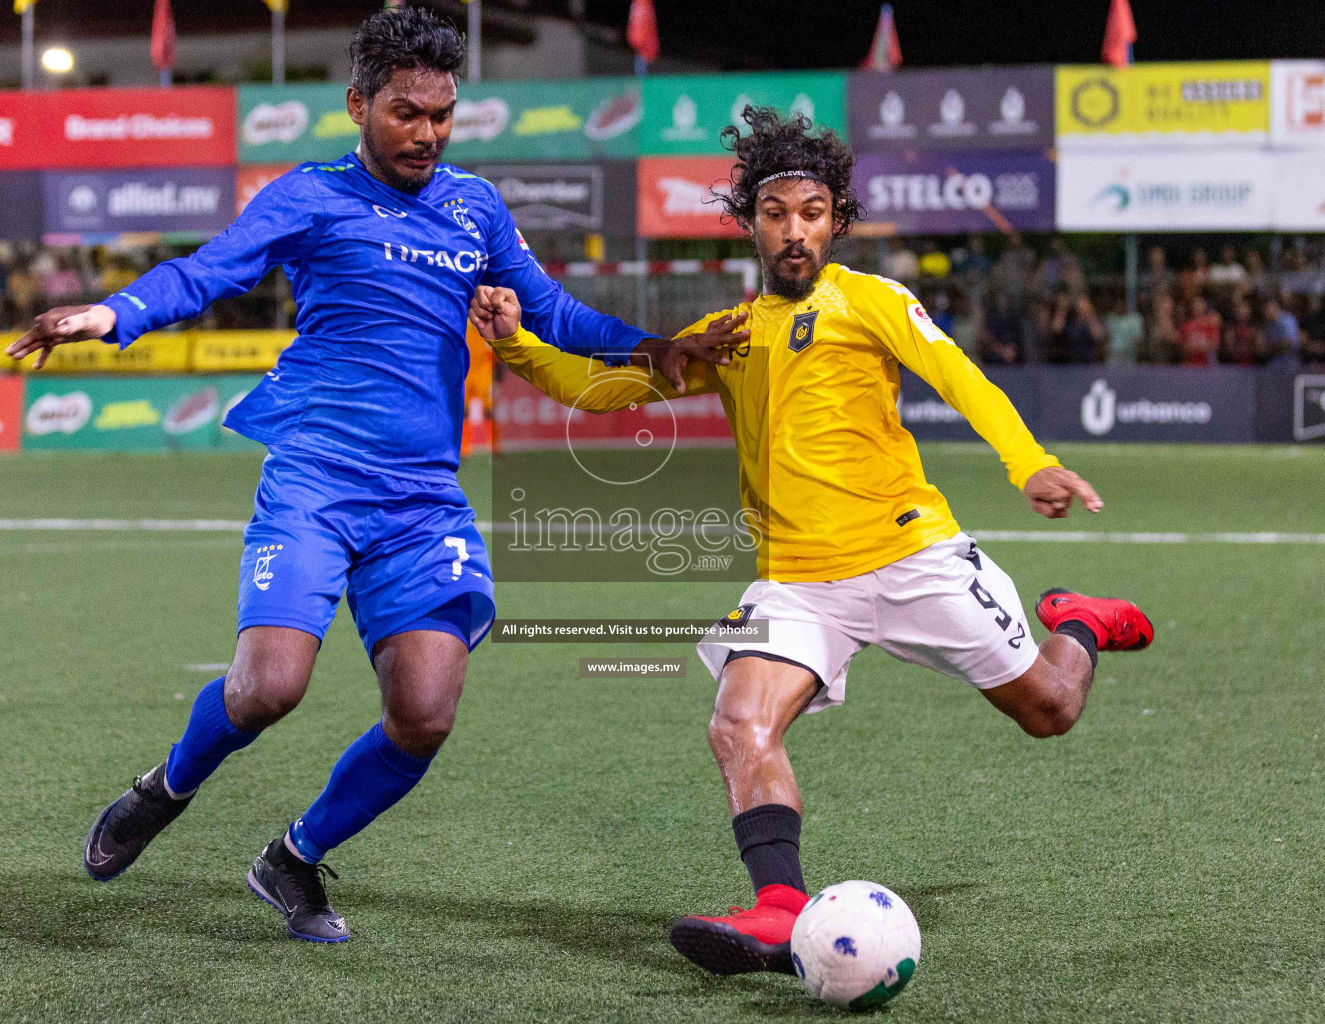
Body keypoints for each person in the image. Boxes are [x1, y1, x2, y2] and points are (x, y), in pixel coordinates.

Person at [6, 7, 736, 945]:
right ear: (359, 105)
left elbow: (551, 309)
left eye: (441, 113)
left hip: (421, 498)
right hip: (316, 475)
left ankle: (293, 857)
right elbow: (208, 272)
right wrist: (112, 315)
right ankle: (165, 788)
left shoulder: (474, 207)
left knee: (425, 713)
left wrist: (653, 345)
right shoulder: (309, 195)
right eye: (405, 112)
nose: (427, 132)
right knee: (268, 687)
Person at [468, 106, 1153, 978]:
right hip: (795, 581)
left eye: (814, 212)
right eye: (777, 213)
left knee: (1051, 709)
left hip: (911, 558)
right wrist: (517, 344)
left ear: (837, 219)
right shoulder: (729, 333)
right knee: (738, 722)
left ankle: (1083, 622)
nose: (796, 232)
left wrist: (1029, 464)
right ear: (750, 221)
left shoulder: (872, 301)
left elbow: (961, 377)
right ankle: (777, 909)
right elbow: (604, 391)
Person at [1178, 295, 1221, 366]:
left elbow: (1214, 345)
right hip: (1189, 365)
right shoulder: (1186, 325)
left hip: (1207, 365)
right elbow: (1182, 346)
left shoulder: (1211, 324)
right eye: (1195, 305)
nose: (1197, 307)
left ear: (1204, 306)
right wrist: (1202, 347)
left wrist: (1195, 347)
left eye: (1199, 305)